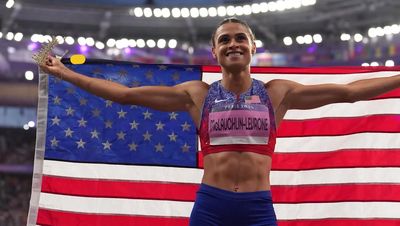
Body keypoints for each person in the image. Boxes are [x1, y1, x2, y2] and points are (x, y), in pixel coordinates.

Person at [39, 17, 400, 226]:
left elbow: (350, 92)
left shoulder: (278, 93)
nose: (233, 44)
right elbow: (124, 95)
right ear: (214, 51)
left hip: (258, 207)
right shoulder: (197, 94)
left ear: (253, 46)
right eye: (224, 40)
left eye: (239, 38)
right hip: (211, 207)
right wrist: (65, 74)